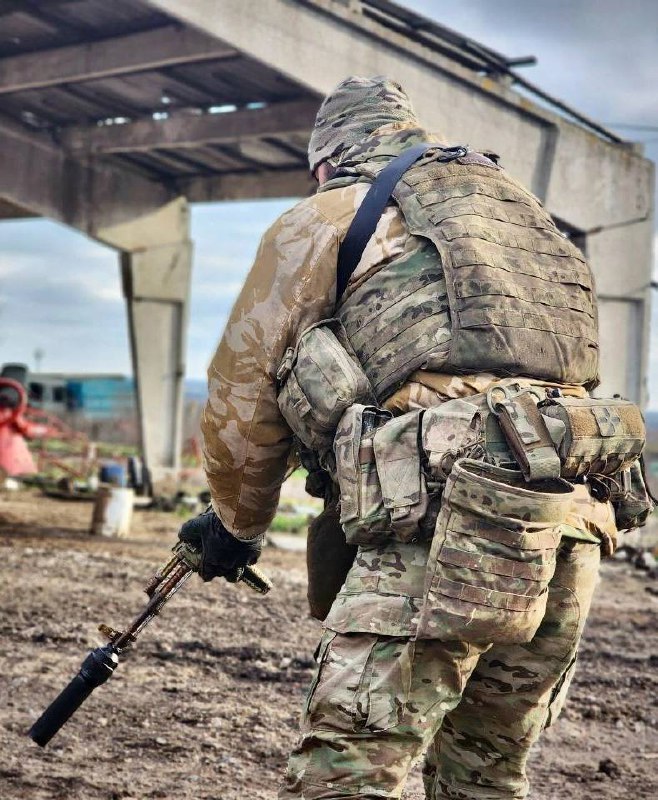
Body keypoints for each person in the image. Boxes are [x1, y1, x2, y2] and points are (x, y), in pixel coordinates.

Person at [179, 77, 624, 799]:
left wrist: (237, 525)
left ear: (327, 160)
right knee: (486, 777)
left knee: (347, 777)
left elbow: (243, 390)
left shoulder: (329, 213)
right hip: (569, 525)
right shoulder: (522, 218)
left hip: (445, 530)